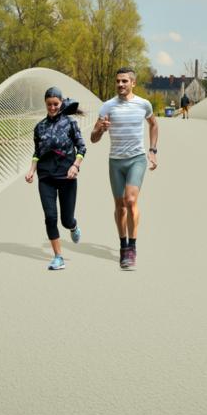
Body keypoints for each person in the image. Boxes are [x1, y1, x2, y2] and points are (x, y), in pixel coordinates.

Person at [91, 67, 158, 270]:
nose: (120, 84)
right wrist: (100, 130)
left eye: (124, 81)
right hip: (115, 161)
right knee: (120, 206)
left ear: (133, 83)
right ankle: (122, 246)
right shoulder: (107, 107)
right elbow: (93, 138)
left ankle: (132, 247)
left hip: (136, 159)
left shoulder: (143, 104)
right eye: (118, 81)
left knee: (130, 201)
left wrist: (153, 150)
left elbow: (153, 125)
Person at [25, 87, 86, 271]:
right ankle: (58, 257)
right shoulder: (39, 127)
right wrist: (31, 170)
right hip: (46, 177)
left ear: (61, 104)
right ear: (45, 104)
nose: (52, 107)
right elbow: (37, 152)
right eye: (49, 104)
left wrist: (75, 166)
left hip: (67, 177)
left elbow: (82, 147)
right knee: (50, 217)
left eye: (55, 104)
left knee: (66, 221)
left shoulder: (70, 123)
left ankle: (73, 226)